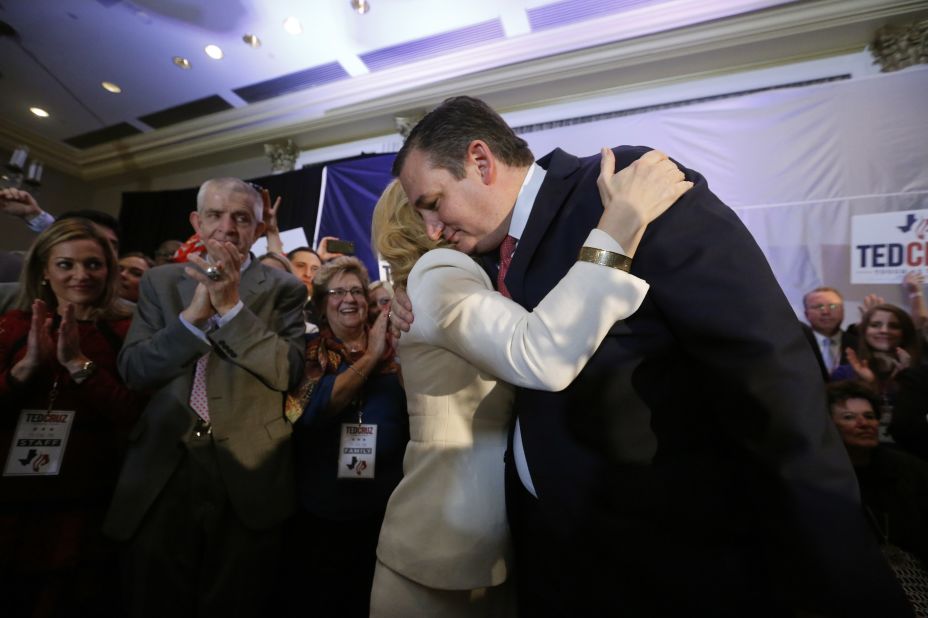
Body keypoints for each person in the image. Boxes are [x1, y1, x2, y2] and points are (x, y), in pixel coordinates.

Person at [390, 95, 911, 616]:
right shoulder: (477, 259)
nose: (432, 230)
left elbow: (764, 367)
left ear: (481, 161)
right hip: (552, 559)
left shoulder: (626, 190)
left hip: (668, 561)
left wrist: (839, 556)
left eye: (433, 203)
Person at [367, 152, 680, 616]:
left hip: (475, 539)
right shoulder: (437, 278)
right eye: (428, 206)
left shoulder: (452, 280)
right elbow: (541, 352)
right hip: (445, 544)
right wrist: (618, 226)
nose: (439, 223)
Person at [102, 178, 306, 617]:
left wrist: (232, 309)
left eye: (242, 218)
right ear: (197, 221)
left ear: (257, 228)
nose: (228, 227)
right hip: (163, 466)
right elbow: (135, 370)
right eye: (215, 215)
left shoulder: (284, 289)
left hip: (247, 468)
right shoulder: (159, 283)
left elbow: (287, 371)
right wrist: (192, 319)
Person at [0, 218, 143, 617]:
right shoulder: (12, 324)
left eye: (93, 264)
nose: (81, 275)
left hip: (86, 493)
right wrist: (23, 371)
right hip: (11, 491)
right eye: (66, 264)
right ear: (44, 269)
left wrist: (79, 365)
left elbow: (133, 415)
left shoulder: (128, 329)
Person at [284, 256, 408, 618]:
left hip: (385, 509)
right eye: (337, 292)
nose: (349, 298)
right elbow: (309, 413)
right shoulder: (310, 350)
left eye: (356, 290)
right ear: (322, 304)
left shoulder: (395, 348)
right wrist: (370, 357)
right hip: (322, 512)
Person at [826, 381, 928, 616]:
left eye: (869, 416)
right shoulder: (823, 478)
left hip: (914, 576)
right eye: (849, 417)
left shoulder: (909, 470)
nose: (863, 424)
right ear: (830, 426)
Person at [801, 286, 858, 380]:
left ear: (843, 311)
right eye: (819, 307)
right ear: (806, 314)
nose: (826, 312)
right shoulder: (795, 345)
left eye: (832, 306)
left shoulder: (858, 343)